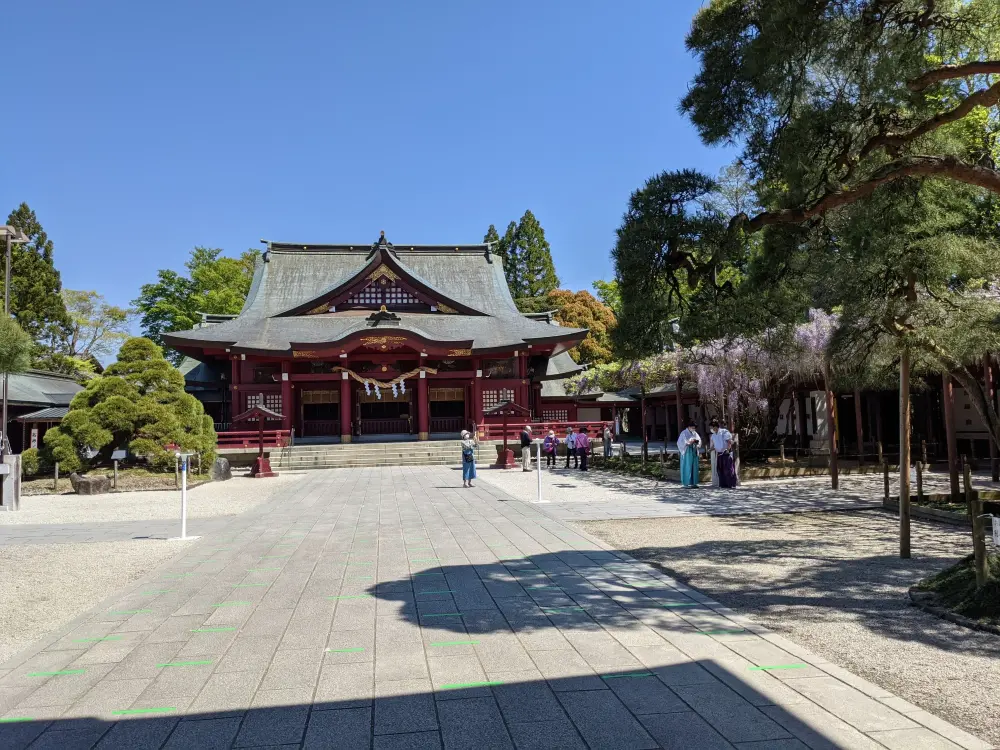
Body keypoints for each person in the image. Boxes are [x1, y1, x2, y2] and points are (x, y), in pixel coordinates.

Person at [709, 419, 738, 488]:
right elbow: (714, 444)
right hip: (719, 453)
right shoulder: (713, 435)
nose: (710, 429)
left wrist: (728, 450)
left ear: (715, 427)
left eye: (711, 427)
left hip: (726, 452)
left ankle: (731, 484)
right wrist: (711, 449)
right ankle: (723, 484)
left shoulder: (724, 432)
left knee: (728, 469)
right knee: (720, 469)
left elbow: (729, 441)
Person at [677, 419, 701, 488]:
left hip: (694, 450)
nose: (693, 429)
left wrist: (697, 443)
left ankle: (694, 483)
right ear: (689, 427)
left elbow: (699, 440)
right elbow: (680, 442)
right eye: (692, 427)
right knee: (687, 466)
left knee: (694, 467)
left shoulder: (695, 433)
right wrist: (689, 442)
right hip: (687, 451)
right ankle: (686, 483)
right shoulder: (683, 433)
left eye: (694, 428)